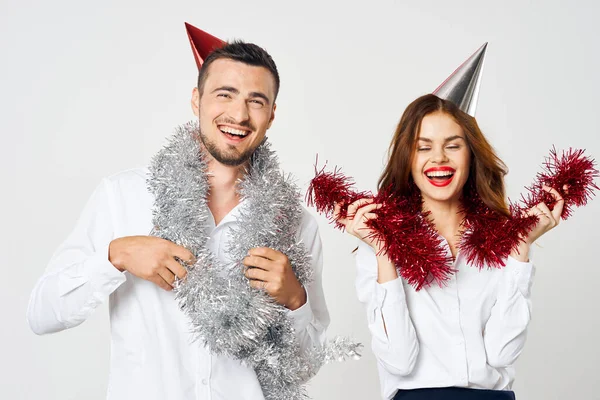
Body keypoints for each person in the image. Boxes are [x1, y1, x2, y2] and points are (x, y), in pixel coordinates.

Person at [27, 23, 329, 400]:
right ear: (196, 100)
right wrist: (116, 255)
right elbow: (42, 313)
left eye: (256, 100)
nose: (239, 114)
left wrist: (295, 300)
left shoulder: (296, 225)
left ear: (271, 116)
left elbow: (305, 365)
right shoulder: (126, 196)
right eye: (225, 94)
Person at [337, 44, 563, 400]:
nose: (438, 158)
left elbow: (502, 353)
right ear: (407, 158)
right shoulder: (378, 244)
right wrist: (383, 251)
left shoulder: (500, 240)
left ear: (472, 155)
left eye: (453, 145)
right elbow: (398, 360)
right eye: (423, 147)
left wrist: (520, 252)